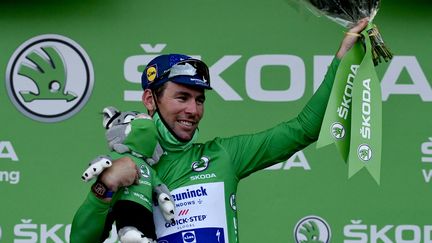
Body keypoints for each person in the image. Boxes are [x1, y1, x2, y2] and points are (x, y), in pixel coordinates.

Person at [71, 19, 369, 243]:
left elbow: (304, 128)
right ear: (151, 100)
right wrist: (104, 187)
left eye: (199, 100)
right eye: (182, 97)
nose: (193, 110)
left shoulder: (223, 155)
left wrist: (343, 62)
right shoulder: (127, 166)